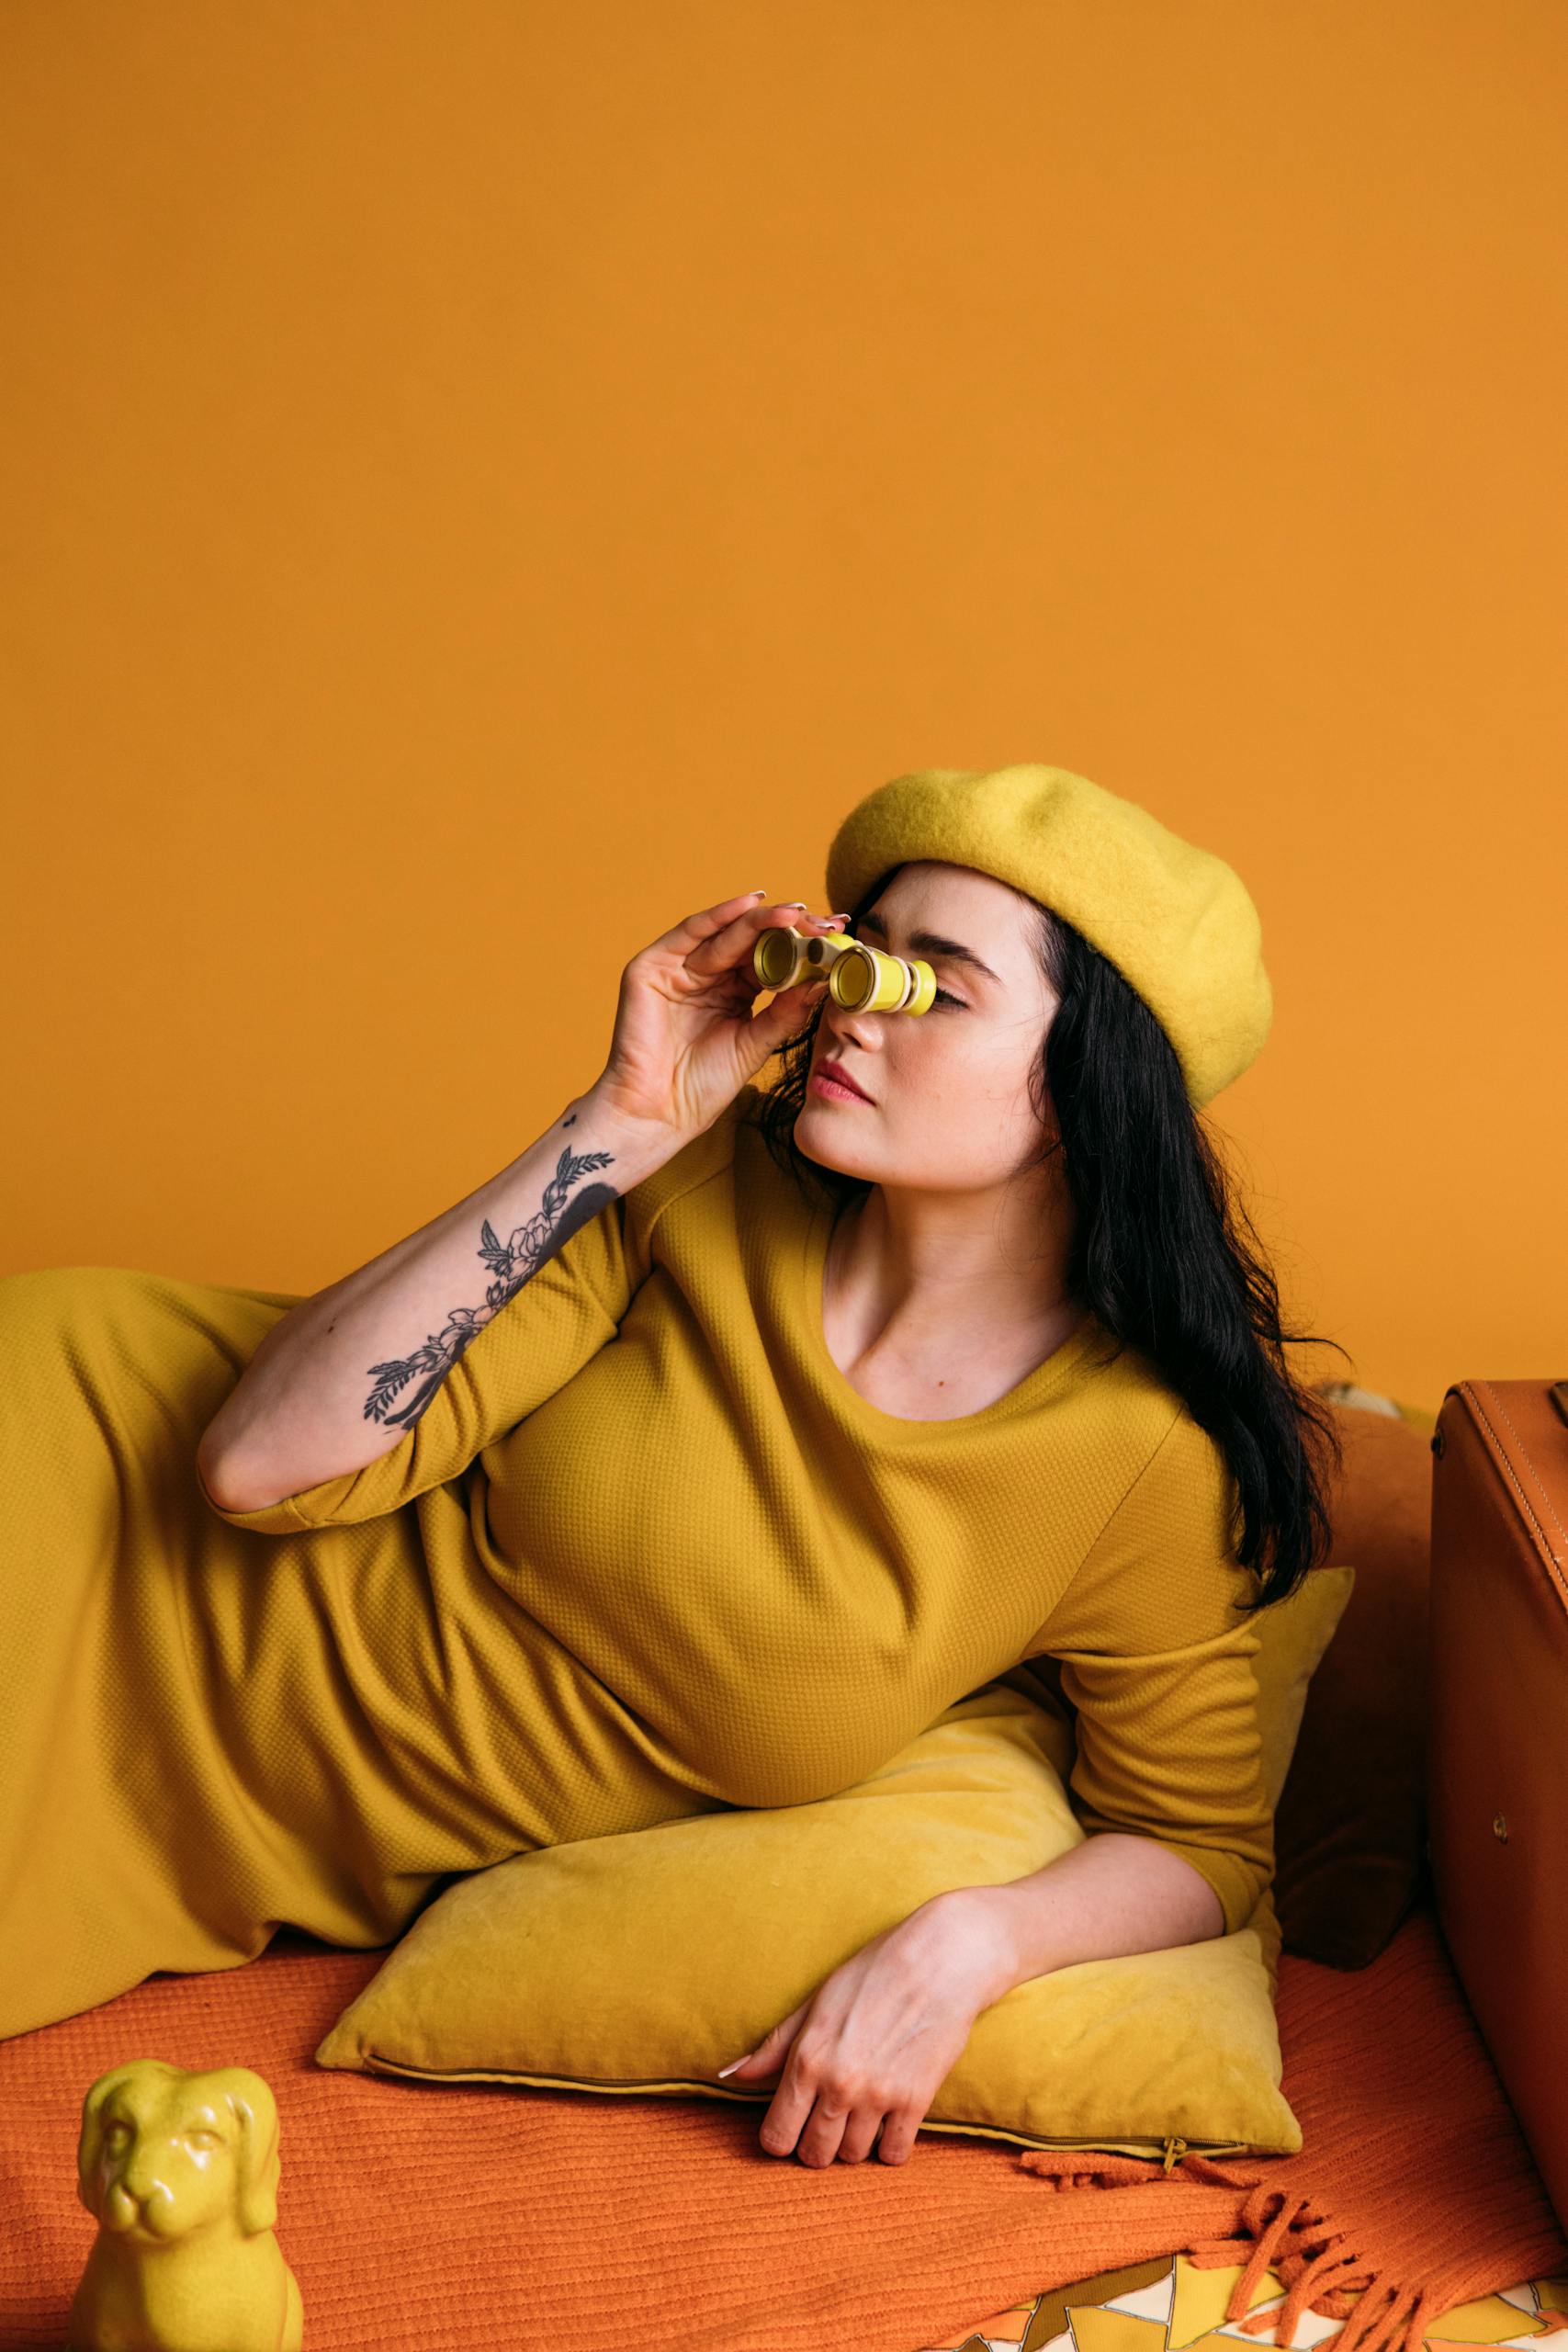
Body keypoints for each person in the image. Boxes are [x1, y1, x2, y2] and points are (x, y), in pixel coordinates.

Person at [0, 762, 1346, 2171]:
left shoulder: (1131, 1465)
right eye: (859, 958)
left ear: (1088, 1090)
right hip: (82, 1481)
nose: (849, 1012)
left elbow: (1196, 1846)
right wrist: (626, 1122)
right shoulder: (700, 1186)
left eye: (933, 989)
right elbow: (260, 1464)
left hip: (196, 1822)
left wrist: (966, 1943)